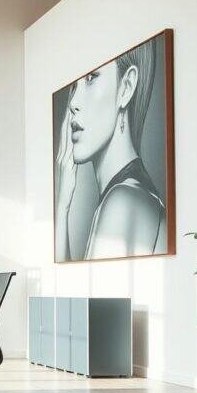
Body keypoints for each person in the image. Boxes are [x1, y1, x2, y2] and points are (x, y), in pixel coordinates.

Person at [54, 39, 166, 261]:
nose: (73, 102)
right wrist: (63, 205)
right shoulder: (125, 192)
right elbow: (73, 290)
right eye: (74, 87)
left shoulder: (124, 199)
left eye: (91, 78)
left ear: (126, 86)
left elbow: (85, 293)